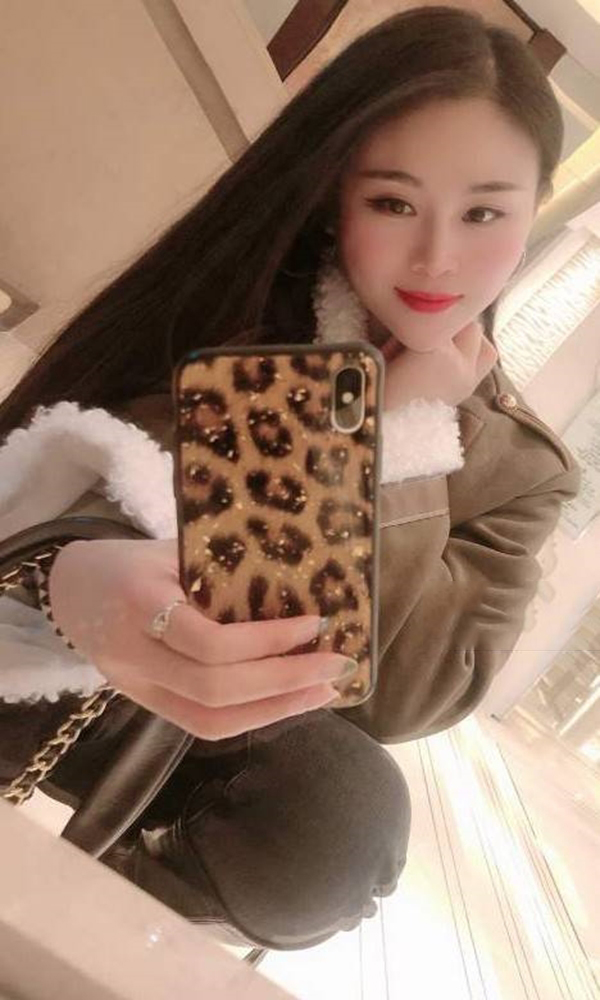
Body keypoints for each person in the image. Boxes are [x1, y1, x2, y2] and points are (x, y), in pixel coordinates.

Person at [0, 6, 579, 950]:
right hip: (55, 659)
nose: (438, 258)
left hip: (208, 743)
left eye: (484, 212)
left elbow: (399, 697)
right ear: (337, 192)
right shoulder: (237, 301)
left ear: (531, 213)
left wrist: (397, 434)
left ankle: (75, 932)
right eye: (393, 203)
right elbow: (95, 496)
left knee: (339, 821)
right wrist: (347, 407)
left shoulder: (521, 469)